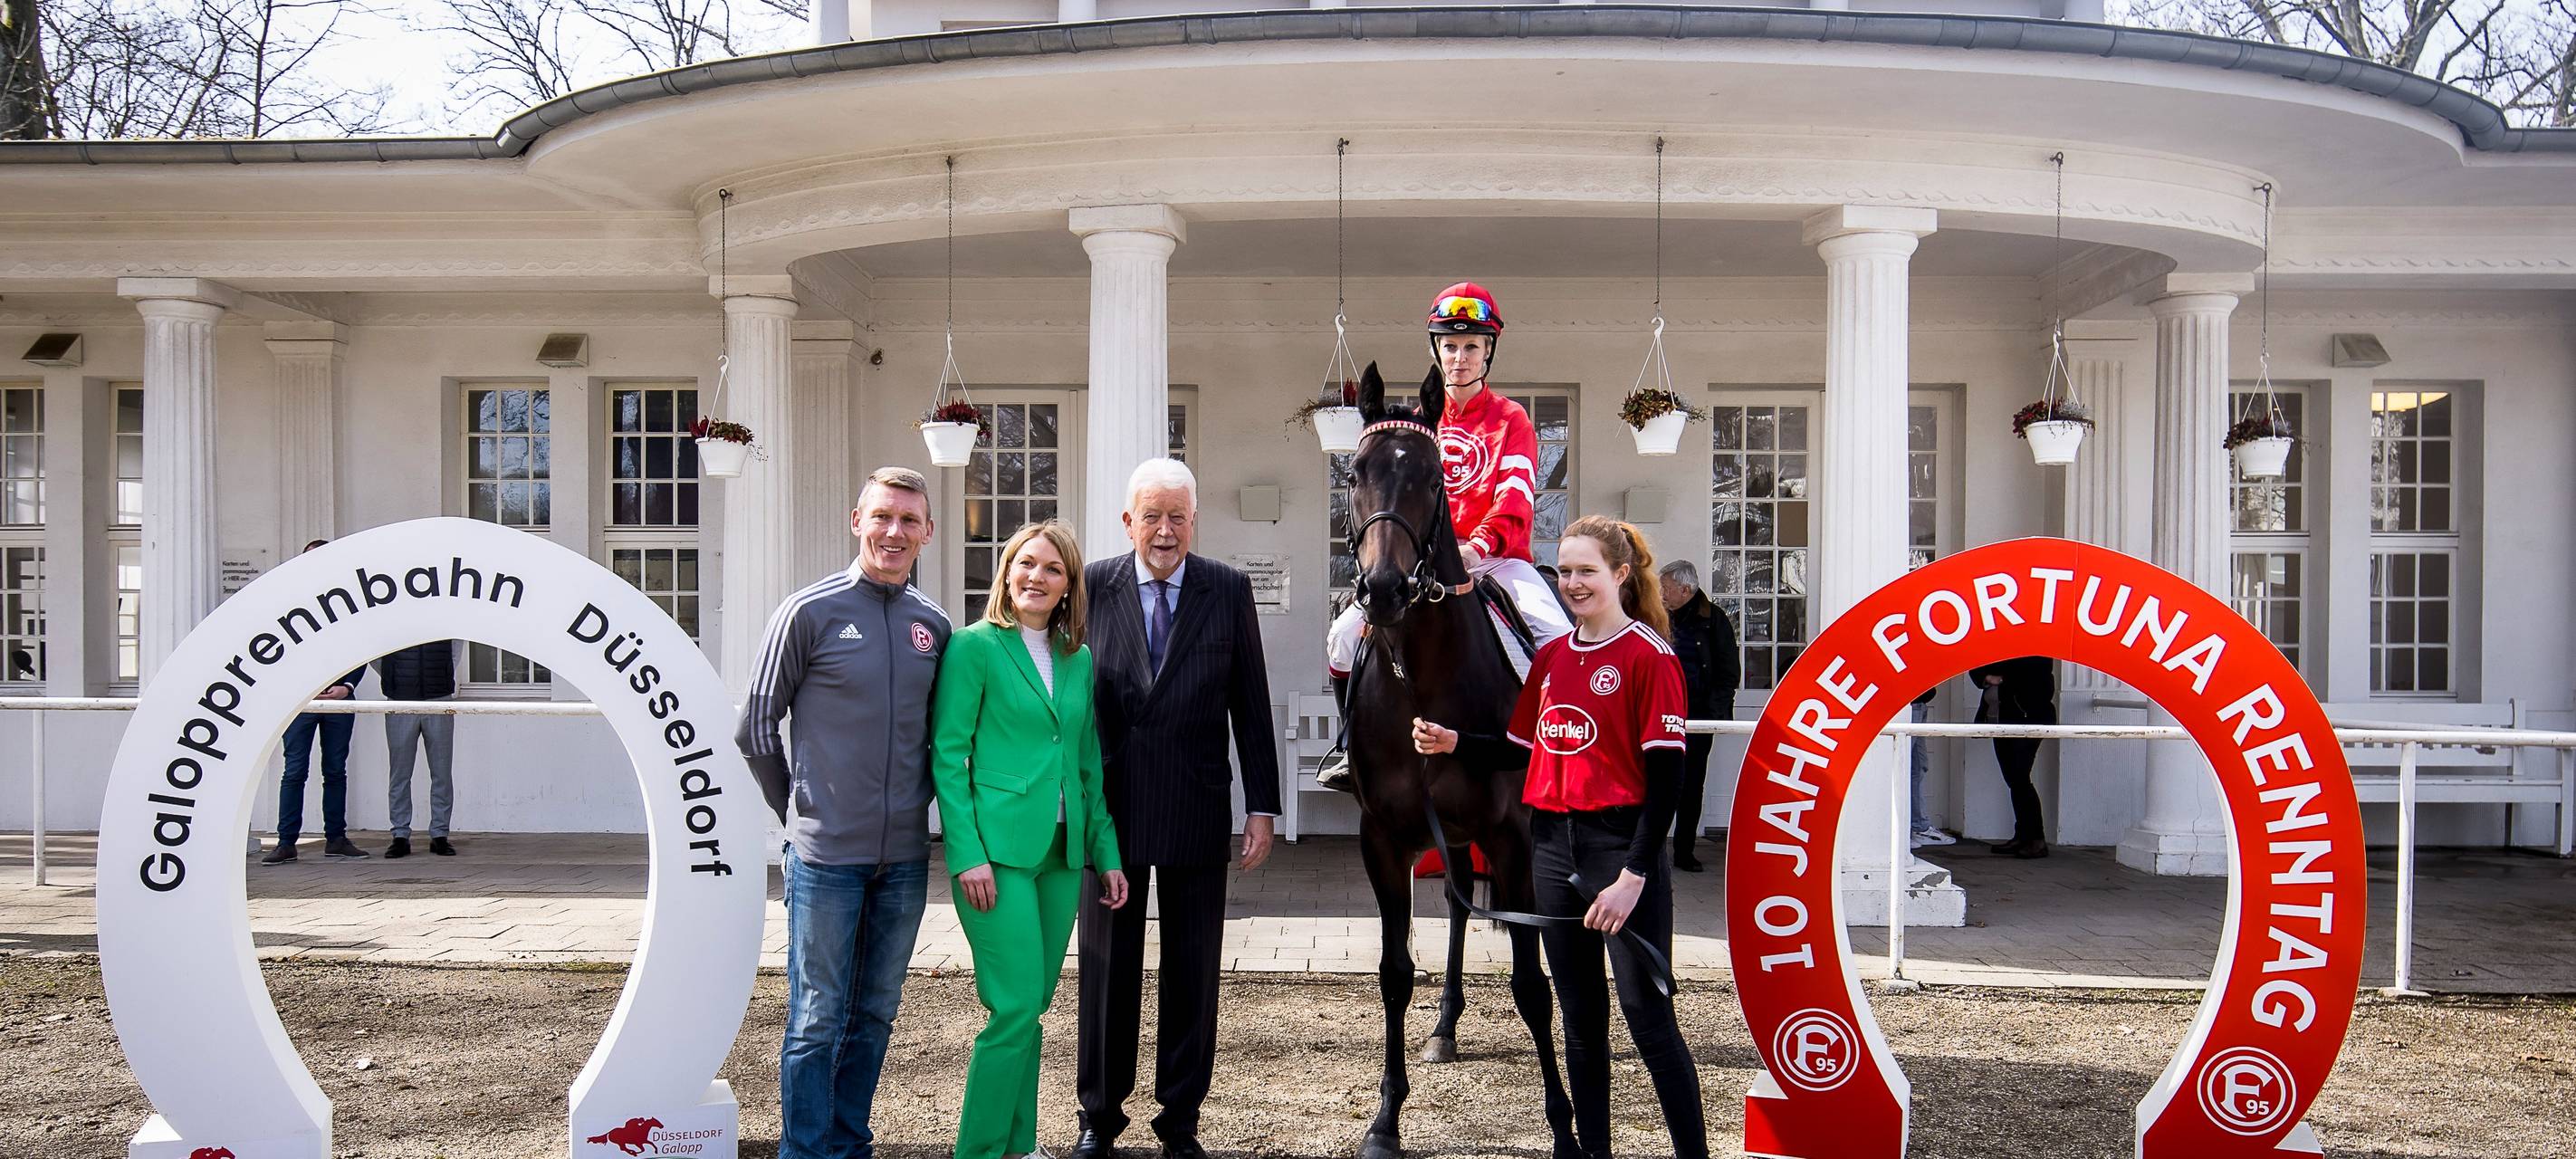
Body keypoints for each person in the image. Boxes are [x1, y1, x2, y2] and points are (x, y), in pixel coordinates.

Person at [1410, 516, 1707, 1159]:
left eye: (1586, 571)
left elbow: (1668, 785)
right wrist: (1455, 743)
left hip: (1619, 850)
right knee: (1580, 1020)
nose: (1573, 583)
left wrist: (1633, 877)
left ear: (1621, 574)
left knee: (1649, 1022)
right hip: (1550, 848)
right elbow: (1521, 749)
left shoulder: (1650, 656)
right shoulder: (1550, 657)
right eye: (1565, 571)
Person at [735, 466, 951, 1159]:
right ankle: (804, 1152)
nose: (894, 531)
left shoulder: (933, 625)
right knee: (816, 1017)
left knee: (876, 1013)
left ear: (927, 532)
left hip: (904, 860)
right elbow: (754, 729)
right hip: (825, 858)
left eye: (908, 520)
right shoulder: (808, 612)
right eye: (882, 516)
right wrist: (799, 812)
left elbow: (944, 739)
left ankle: (849, 1144)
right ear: (857, 520)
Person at [1072, 458, 1281, 1159]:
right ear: (1127, 522)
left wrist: (1261, 806)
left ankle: (1180, 1120)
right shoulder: (1090, 584)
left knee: (1192, 968)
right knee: (1106, 969)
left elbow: (1249, 700)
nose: (1164, 531)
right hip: (1111, 810)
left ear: (1195, 521)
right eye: (1151, 517)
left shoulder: (1227, 588)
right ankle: (1099, 1118)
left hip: (1196, 800)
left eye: (1177, 517)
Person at [1318, 282, 1573, 791]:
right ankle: (1349, 747)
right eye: (1450, 346)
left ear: (1488, 352)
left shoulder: (1512, 419)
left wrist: (1477, 546)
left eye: (1471, 346)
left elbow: (1516, 496)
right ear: (1436, 350)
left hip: (1497, 559)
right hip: (1424, 565)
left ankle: (1560, 751)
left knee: (1556, 638)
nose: (1460, 358)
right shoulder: (1416, 425)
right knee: (1343, 638)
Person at [932, 520, 1130, 1159]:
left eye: (1051, 568)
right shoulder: (974, 647)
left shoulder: (1078, 658)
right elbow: (949, 756)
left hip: (1062, 853)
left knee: (1032, 1005)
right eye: (1025, 563)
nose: (1036, 577)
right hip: (997, 855)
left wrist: (1106, 854)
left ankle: (1018, 1146)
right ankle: (980, 1151)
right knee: (1014, 1005)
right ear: (1006, 570)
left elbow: (1086, 763)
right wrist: (966, 853)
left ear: (1069, 584)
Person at [265, 539, 370, 866]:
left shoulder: (350, 600)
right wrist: (300, 689)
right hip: (301, 702)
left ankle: (336, 839)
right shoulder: (288, 601)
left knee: (335, 770)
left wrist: (347, 686)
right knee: (294, 770)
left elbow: (364, 647)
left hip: (339, 701)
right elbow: (279, 651)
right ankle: (286, 842)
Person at [1656, 560, 1738, 872]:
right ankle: (1650, 850)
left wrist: (1714, 715)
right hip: (1661, 713)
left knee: (1691, 785)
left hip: (1698, 715)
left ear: (1685, 589)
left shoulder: (1713, 620)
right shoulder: (1657, 616)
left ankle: (1684, 851)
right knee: (1658, 782)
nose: (1662, 594)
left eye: (1666, 588)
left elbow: (1728, 671)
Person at [376, 637, 458, 858]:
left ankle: (440, 834)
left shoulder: (443, 621)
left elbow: (455, 649)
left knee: (442, 773)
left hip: (439, 698)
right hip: (400, 700)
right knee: (400, 774)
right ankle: (400, 835)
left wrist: (442, 673)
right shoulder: (391, 622)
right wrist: (394, 677)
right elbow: (376, 655)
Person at [1970, 656, 2058, 858]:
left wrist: (1997, 673)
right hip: (2000, 717)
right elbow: (1975, 668)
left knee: (2019, 777)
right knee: (2014, 779)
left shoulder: (2038, 653)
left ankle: (2036, 839)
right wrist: (1987, 676)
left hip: (2029, 718)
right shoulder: (1998, 650)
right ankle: (2023, 835)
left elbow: (2024, 673)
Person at [1907, 685, 1955, 848]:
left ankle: (1918, 827)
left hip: (1918, 702)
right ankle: (1900, 831)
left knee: (1917, 767)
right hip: (1907, 703)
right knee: (1900, 765)